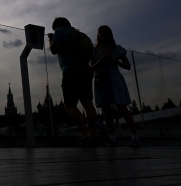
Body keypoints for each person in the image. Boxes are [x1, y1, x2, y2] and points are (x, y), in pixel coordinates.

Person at [48, 17, 98, 146]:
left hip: (71, 71)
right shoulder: (81, 34)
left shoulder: (60, 31)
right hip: (86, 71)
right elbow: (92, 54)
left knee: (70, 105)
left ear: (57, 25)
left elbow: (54, 50)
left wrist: (51, 39)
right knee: (87, 103)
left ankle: (85, 136)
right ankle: (93, 136)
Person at [90, 25, 140, 147]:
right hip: (101, 80)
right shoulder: (94, 50)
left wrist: (115, 61)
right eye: (100, 32)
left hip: (115, 79)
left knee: (122, 107)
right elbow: (91, 68)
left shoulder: (116, 49)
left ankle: (135, 137)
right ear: (98, 35)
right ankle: (111, 138)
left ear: (110, 34)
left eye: (105, 31)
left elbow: (128, 66)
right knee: (106, 110)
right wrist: (101, 61)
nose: (103, 33)